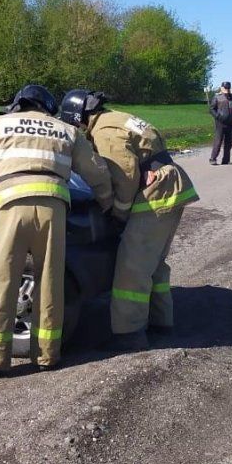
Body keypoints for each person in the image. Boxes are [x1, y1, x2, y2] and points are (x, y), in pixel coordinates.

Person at [0, 84, 113, 378]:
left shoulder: (1, 124)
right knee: (49, 278)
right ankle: (47, 355)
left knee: (0, 277)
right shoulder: (67, 131)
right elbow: (96, 172)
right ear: (48, 108)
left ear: (18, 105)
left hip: (10, 204)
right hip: (53, 208)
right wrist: (107, 203)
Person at [59, 90, 199, 350]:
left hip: (156, 193)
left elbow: (124, 177)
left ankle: (129, 335)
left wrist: (118, 214)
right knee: (152, 263)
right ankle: (160, 322)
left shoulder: (105, 131)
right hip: (169, 186)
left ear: (79, 116)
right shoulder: (117, 119)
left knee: (131, 266)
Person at [208, 82, 232, 165]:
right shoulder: (217, 97)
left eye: (228, 88)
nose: (227, 90)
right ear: (221, 88)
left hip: (230, 123)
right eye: (225, 88)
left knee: (229, 142)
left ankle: (226, 160)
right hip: (220, 123)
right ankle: (213, 158)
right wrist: (218, 116)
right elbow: (211, 109)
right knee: (218, 141)